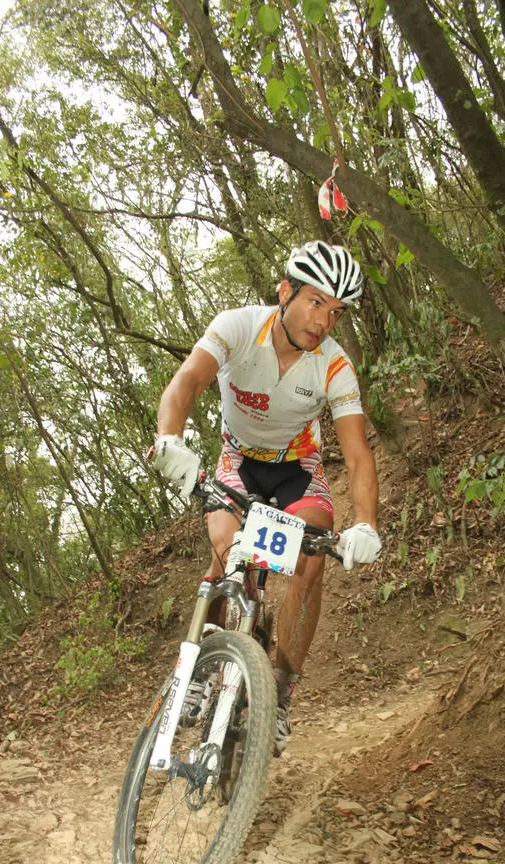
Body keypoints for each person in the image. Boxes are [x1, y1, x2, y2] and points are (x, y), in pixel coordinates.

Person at [150, 240, 381, 755]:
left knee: (312, 556)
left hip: (296, 471)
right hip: (237, 462)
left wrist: (365, 522)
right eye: (315, 302)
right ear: (285, 292)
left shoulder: (335, 366)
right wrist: (170, 438)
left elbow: (358, 452)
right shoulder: (237, 326)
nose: (324, 320)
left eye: (336, 312)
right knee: (226, 551)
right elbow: (187, 381)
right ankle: (198, 670)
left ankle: (279, 689)